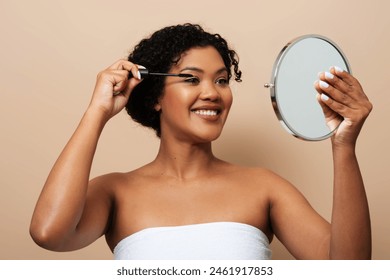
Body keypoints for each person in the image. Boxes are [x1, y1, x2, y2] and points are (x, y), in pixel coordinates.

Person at [30, 23, 372, 259]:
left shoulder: (264, 187)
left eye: (222, 80)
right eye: (191, 79)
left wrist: (343, 145)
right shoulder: (115, 192)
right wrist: (97, 111)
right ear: (155, 97)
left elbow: (348, 268)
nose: (212, 93)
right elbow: (49, 233)